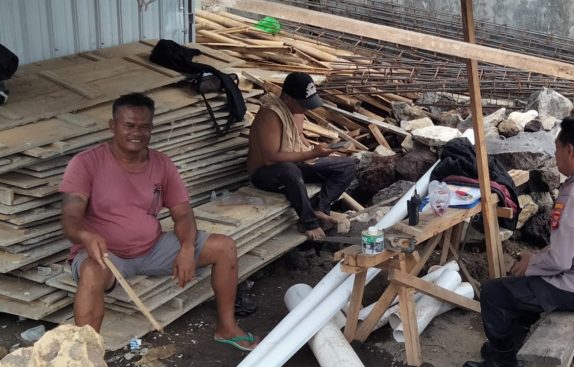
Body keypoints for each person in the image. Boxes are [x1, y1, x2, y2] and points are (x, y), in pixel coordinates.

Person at [60, 93, 258, 351]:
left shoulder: (162, 164)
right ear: (112, 126)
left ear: (152, 128)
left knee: (224, 247)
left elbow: (183, 213)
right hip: (106, 256)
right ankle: (86, 357)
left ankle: (227, 328)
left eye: (144, 126)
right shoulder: (86, 163)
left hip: (153, 248)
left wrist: (187, 247)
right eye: (129, 125)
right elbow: (71, 217)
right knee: (91, 273)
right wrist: (85, 236)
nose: (137, 133)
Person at [462, 118, 574, 367]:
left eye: (557, 148)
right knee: (524, 287)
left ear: (570, 150)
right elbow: (573, 243)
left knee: (493, 292)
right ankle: (510, 347)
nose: (555, 155)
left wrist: (531, 263)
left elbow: (560, 261)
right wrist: (535, 262)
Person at [247, 72, 357, 240]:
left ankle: (320, 208)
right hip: (266, 173)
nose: (307, 108)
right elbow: (270, 158)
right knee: (289, 171)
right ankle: (308, 222)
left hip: (293, 165)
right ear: (287, 98)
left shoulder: (297, 111)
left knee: (347, 165)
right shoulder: (270, 114)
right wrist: (311, 153)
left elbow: (299, 137)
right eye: (303, 104)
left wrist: (319, 151)